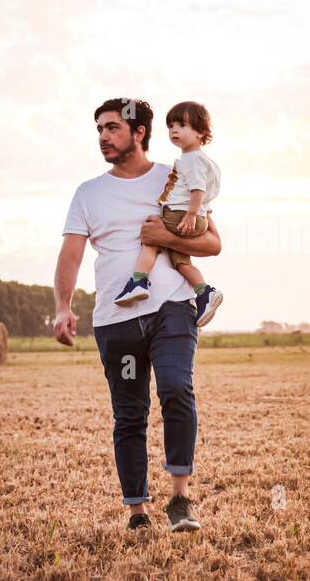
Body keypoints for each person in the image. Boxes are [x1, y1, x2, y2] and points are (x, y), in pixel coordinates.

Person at [52, 98, 222, 532]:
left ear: (139, 132)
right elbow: (71, 255)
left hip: (172, 309)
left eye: (111, 128)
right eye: (99, 130)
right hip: (115, 318)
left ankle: (180, 500)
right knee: (129, 415)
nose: (103, 137)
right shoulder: (88, 193)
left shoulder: (179, 174)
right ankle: (137, 513)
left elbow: (212, 244)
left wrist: (162, 234)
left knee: (176, 390)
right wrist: (63, 307)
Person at [112, 100, 224, 327]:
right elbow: (205, 190)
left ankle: (138, 282)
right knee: (180, 261)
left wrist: (192, 213)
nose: (174, 130)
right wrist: (199, 211)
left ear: (201, 132)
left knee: (151, 236)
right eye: (171, 125)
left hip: (182, 214)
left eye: (181, 125)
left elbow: (197, 189)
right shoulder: (203, 161)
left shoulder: (191, 159)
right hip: (195, 215)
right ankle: (204, 292)